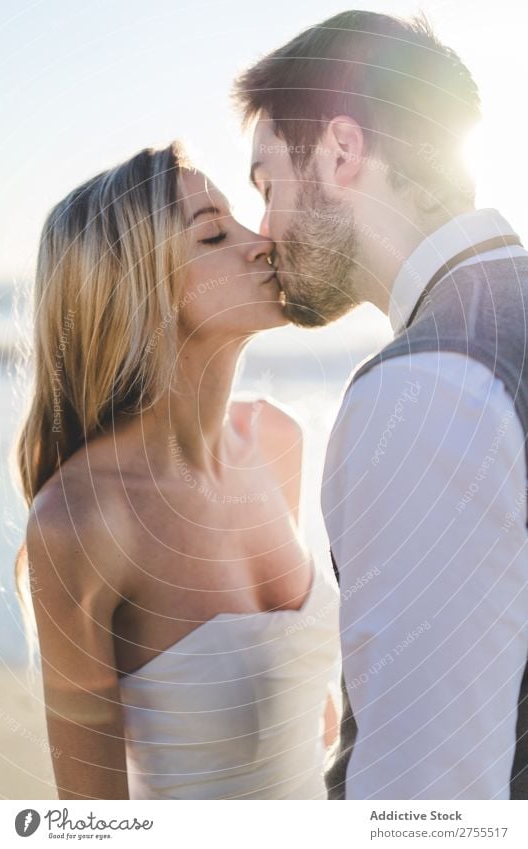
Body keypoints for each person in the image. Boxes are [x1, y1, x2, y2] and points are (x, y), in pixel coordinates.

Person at [234, 9, 528, 799]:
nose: (262, 231)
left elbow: (425, 796)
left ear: (339, 150)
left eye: (267, 183)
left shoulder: (427, 383)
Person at [13, 142, 340, 799]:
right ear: (137, 291)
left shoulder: (275, 438)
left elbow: (318, 723)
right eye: (214, 232)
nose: (262, 241)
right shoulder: (80, 521)